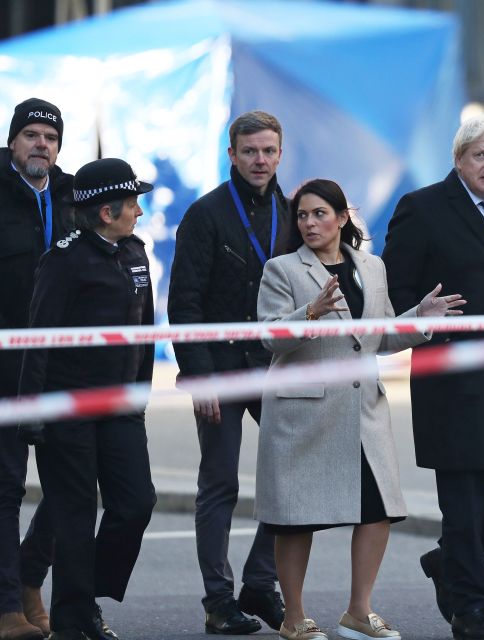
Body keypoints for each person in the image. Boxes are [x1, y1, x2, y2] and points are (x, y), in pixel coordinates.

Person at [256, 179, 465, 640]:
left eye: (319, 214)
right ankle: (293, 618)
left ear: (342, 217)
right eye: (303, 216)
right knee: (295, 518)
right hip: (302, 413)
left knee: (377, 511)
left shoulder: (372, 267)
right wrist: (308, 314)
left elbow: (380, 337)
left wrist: (419, 318)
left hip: (361, 410)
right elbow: (269, 337)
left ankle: (359, 610)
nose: (310, 223)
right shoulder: (281, 269)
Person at [381, 114, 484, 640]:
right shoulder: (423, 208)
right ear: (459, 158)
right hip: (452, 378)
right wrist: (417, 314)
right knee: (464, 497)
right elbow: (391, 292)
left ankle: (449, 561)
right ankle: (471, 612)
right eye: (481, 155)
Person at [18, 158, 158, 640]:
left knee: (137, 502)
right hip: (68, 408)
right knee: (74, 516)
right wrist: (34, 411)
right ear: (106, 211)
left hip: (120, 408)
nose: (138, 212)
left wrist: (140, 394)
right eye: (133, 203)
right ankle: (76, 619)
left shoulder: (136, 254)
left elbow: (146, 331)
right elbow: (38, 337)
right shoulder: (64, 260)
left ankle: (84, 592)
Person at [167, 110, 290, 635]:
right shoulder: (206, 214)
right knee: (219, 483)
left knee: (294, 476)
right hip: (218, 366)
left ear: (280, 153)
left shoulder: (294, 212)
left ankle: (260, 583)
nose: (259, 160)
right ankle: (219, 600)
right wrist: (198, 375)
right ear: (232, 155)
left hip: (274, 366)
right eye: (249, 152)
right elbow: (184, 303)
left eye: (268, 151)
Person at [0, 97, 73, 640]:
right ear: (12, 142)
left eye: (49, 137)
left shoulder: (73, 197)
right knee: (5, 487)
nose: (40, 145)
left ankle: (30, 577)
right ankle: (6, 607)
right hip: (6, 368)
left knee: (73, 481)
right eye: (30, 135)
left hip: (64, 369)